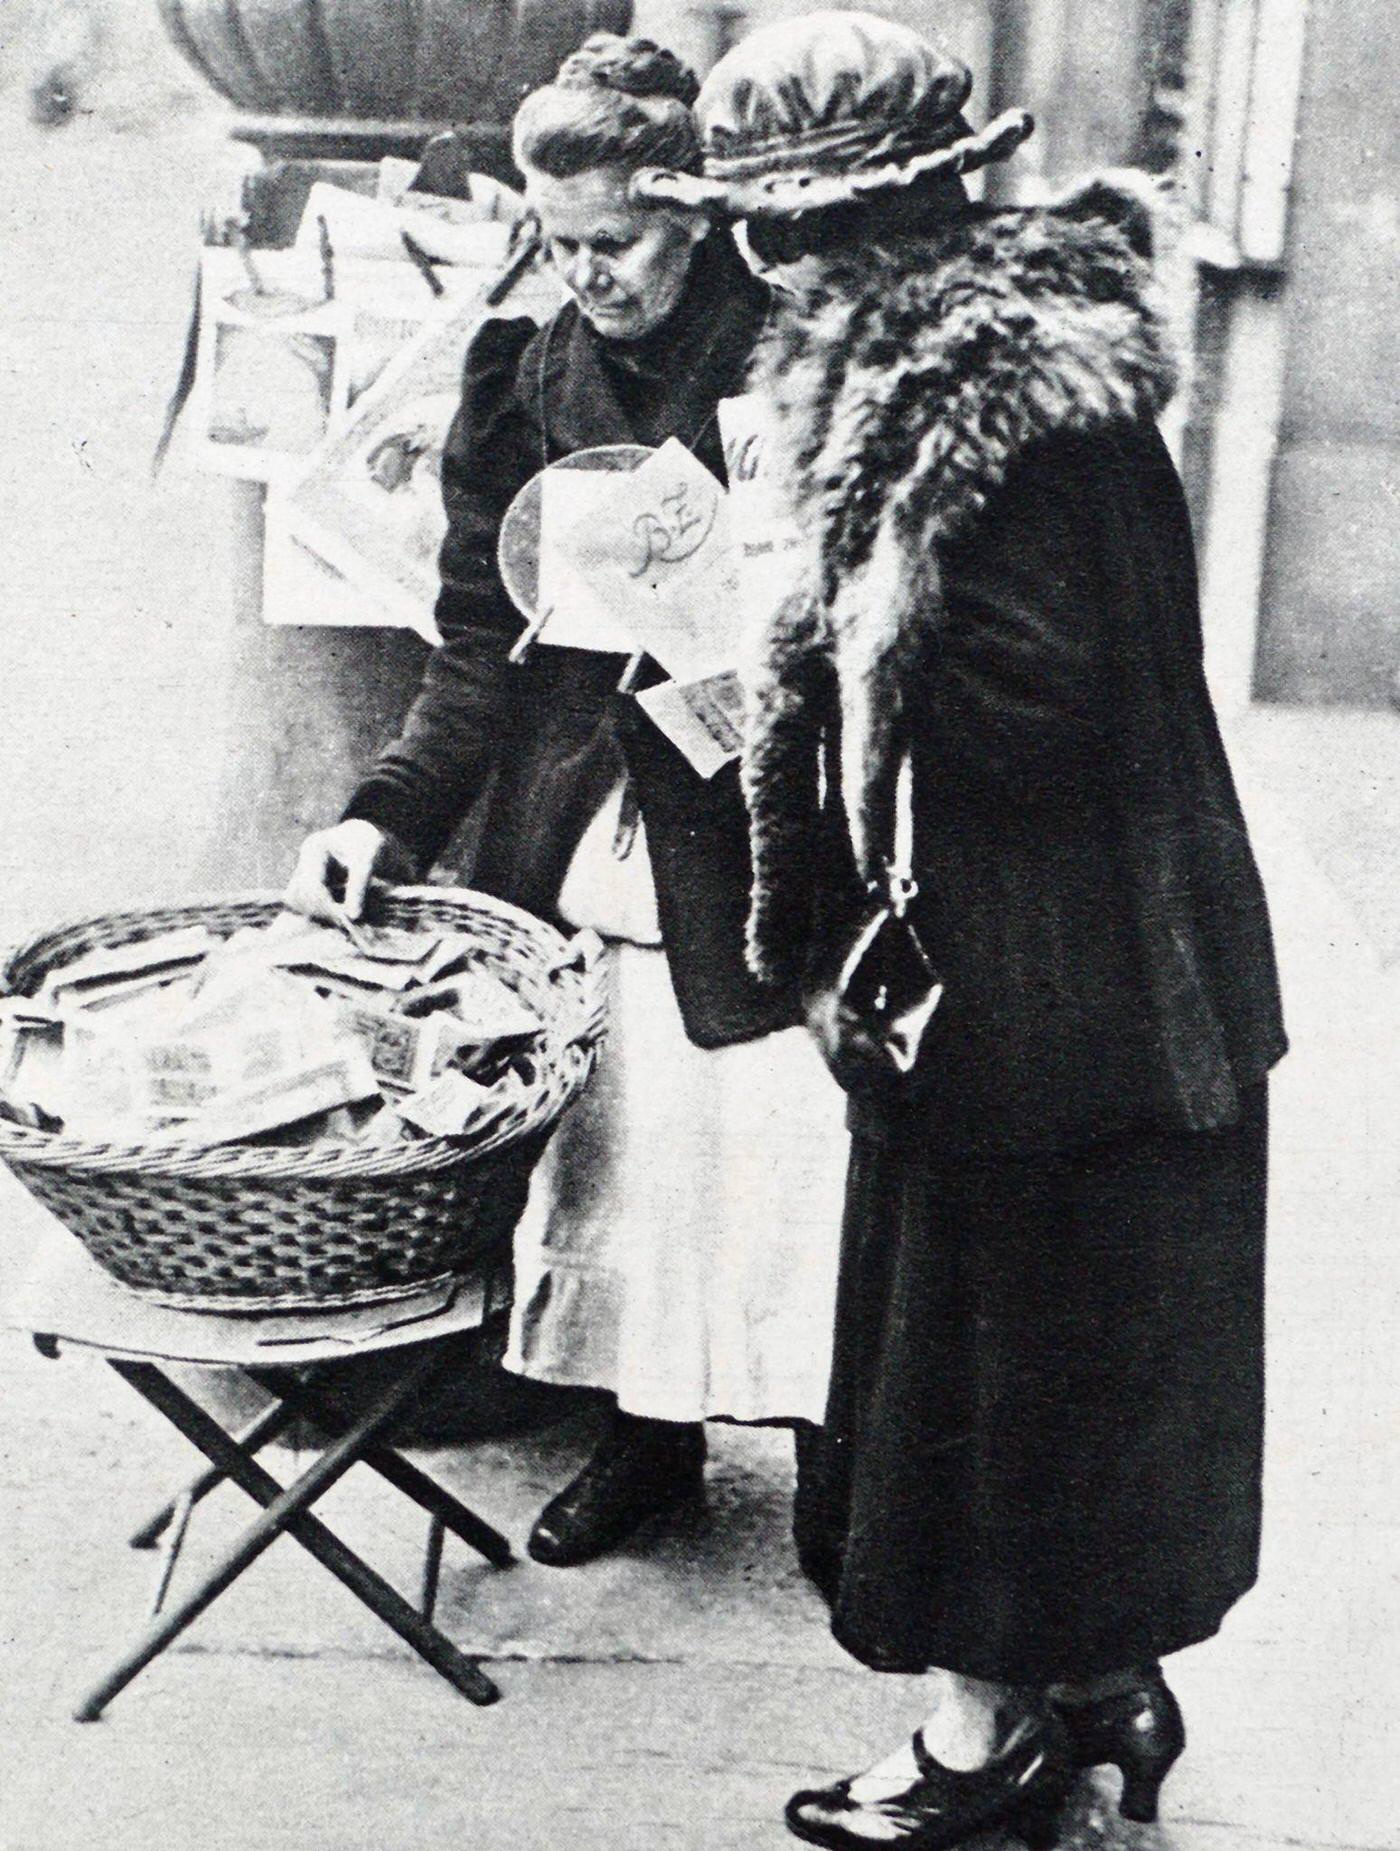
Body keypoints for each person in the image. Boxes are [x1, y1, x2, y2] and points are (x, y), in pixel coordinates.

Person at [682, 13, 1288, 1849]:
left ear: (850, 229)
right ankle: (1096, 1692)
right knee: (1059, 1351)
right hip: (1092, 969)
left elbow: (1044, 696)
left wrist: (801, 627)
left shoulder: (978, 398)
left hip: (1058, 982)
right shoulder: (989, 371)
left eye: (776, 230)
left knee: (992, 1368)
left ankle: (980, 1753)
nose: (756, 261)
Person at [286, 35, 844, 1568]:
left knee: (789, 1153)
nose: (587, 273)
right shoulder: (519, 379)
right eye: (560, 240)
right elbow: (479, 647)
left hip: (761, 817)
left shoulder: (794, 360)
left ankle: (833, 1454)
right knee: (631, 1150)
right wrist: (384, 814)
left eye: (620, 243)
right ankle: (644, 1440)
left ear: (700, 217)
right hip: (595, 827)